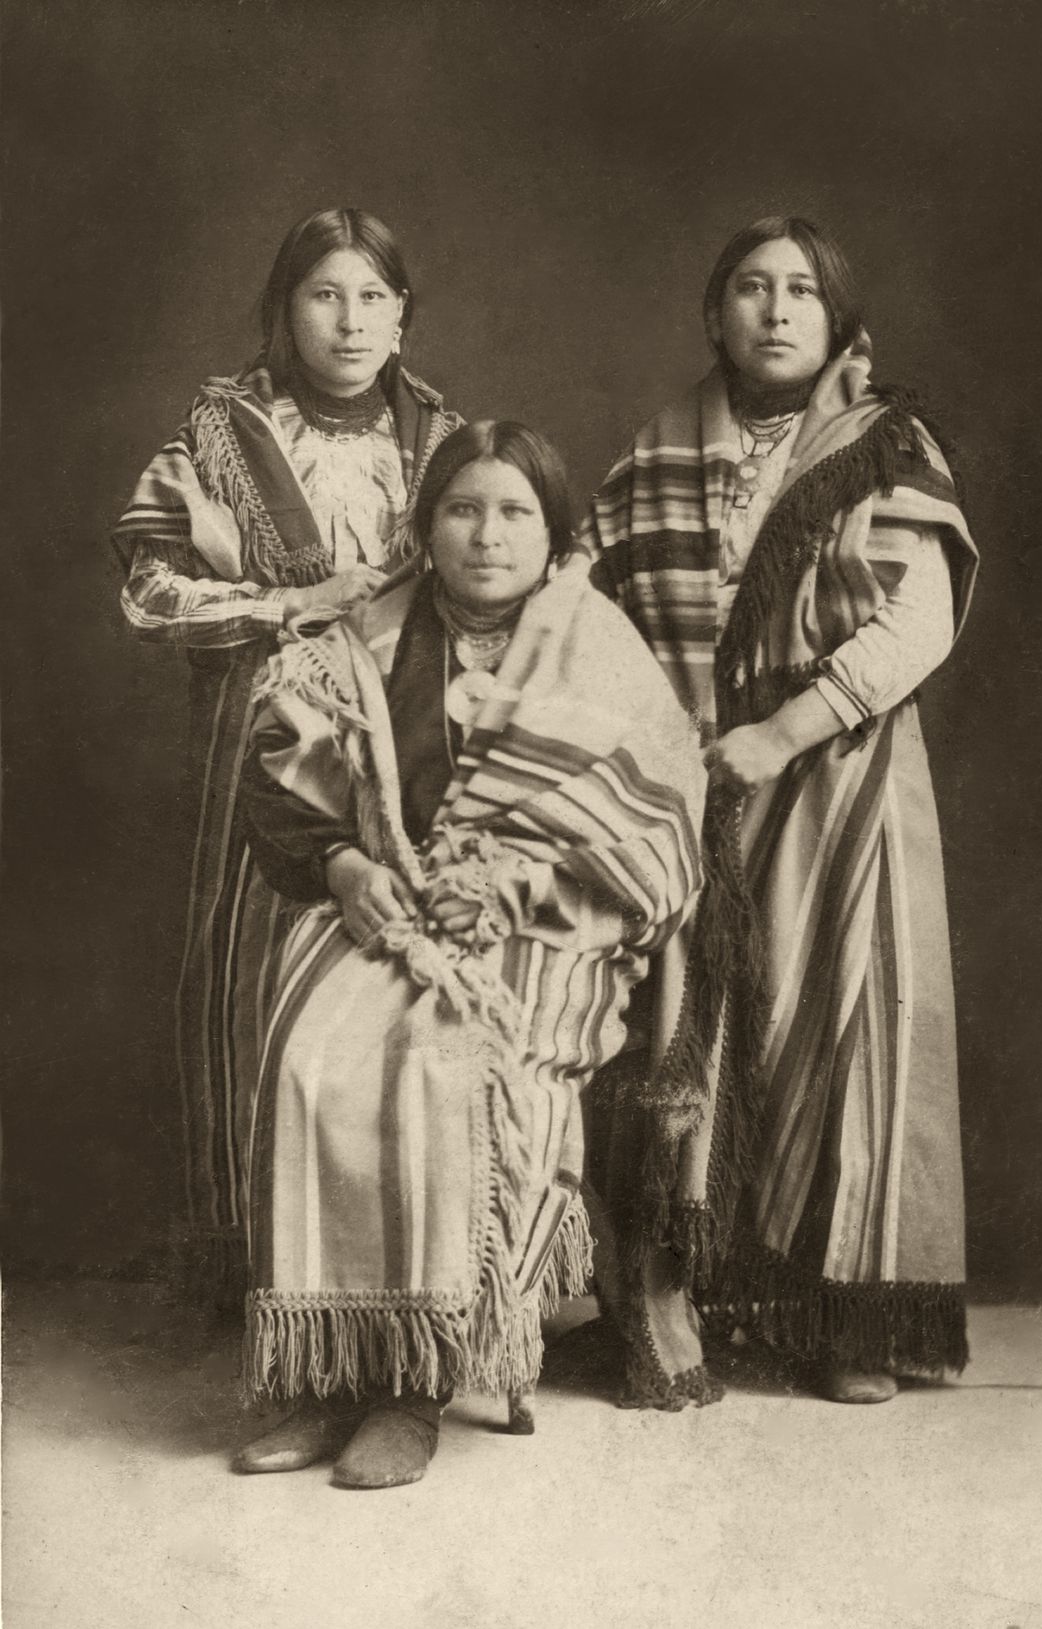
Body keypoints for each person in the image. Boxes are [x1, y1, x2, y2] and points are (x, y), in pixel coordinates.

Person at [234, 420, 713, 1488]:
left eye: (513, 513)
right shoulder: (365, 635)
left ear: (553, 534)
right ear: (427, 524)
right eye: (462, 509)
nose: (486, 536)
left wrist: (509, 886)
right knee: (314, 1053)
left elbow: (658, 831)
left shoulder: (595, 643)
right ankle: (328, 1377)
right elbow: (281, 782)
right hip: (389, 902)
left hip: (549, 926)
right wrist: (349, 872)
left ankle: (413, 1385)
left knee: (440, 1064)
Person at [582, 216, 978, 1403]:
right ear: (714, 315)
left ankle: (848, 1320)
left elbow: (918, 620)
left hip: (839, 769)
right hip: (690, 781)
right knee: (701, 1036)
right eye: (749, 288)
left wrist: (782, 731)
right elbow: (583, 603)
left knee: (848, 1026)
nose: (774, 309)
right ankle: (708, 1297)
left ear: (836, 318)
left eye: (801, 289)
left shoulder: (881, 446)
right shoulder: (654, 454)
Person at [112, 209, 462, 1295]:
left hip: (410, 751)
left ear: (403, 315)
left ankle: (396, 1271)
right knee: (254, 981)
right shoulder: (217, 437)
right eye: (324, 295)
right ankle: (267, 1270)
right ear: (284, 309)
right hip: (257, 741)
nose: (350, 321)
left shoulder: (448, 440)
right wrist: (290, 604)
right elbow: (149, 588)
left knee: (399, 984)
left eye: (372, 297)